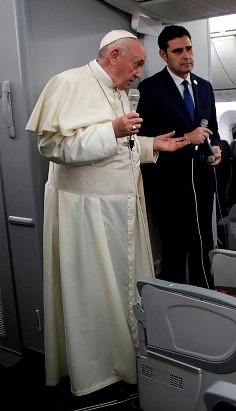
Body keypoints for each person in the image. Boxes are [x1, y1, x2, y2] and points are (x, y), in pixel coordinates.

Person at [25, 30, 189, 396]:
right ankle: (98, 372)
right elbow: (52, 145)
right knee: (94, 295)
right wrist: (112, 130)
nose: (138, 74)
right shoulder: (67, 83)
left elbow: (120, 148)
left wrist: (151, 145)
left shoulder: (117, 91)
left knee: (124, 289)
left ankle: (129, 357)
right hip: (88, 215)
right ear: (114, 55)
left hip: (123, 210)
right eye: (137, 64)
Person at [137, 25, 222, 288]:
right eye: (178, 51)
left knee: (202, 244)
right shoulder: (151, 89)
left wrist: (217, 148)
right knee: (174, 249)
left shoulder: (204, 87)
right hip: (170, 186)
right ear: (163, 55)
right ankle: (173, 307)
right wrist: (187, 138)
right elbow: (148, 140)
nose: (186, 55)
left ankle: (205, 297)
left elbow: (213, 130)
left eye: (189, 48)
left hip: (202, 182)